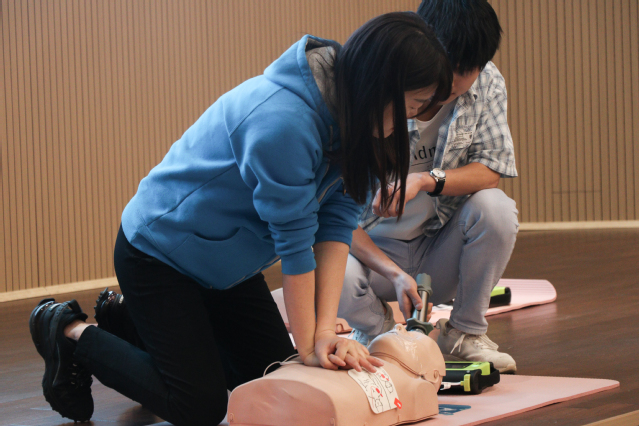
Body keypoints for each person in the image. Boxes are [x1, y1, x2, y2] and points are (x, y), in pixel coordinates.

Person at [28, 12, 452, 425]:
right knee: (200, 407)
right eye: (410, 105)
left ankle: (129, 321)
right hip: (160, 255)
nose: (409, 119)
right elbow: (295, 243)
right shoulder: (285, 122)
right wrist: (311, 347)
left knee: (271, 380)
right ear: (381, 85)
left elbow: (337, 223)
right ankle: (68, 331)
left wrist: (324, 332)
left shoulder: (360, 120)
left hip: (227, 268)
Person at [337, 0, 519, 374]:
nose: (449, 82)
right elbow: (332, 217)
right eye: (444, 66)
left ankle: (465, 332)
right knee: (328, 260)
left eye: (465, 71)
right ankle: (378, 333)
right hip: (372, 257)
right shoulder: (375, 84)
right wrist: (393, 272)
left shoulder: (487, 83)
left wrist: (424, 180)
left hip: (436, 250)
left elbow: (491, 170)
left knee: (497, 209)